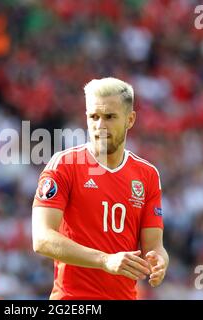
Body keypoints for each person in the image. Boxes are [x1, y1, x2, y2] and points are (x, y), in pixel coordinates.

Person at [32, 77, 169, 300]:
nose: (100, 126)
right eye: (93, 117)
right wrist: (105, 260)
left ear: (130, 119)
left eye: (110, 117)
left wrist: (160, 260)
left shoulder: (148, 175)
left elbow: (154, 245)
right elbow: (42, 239)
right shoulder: (65, 165)